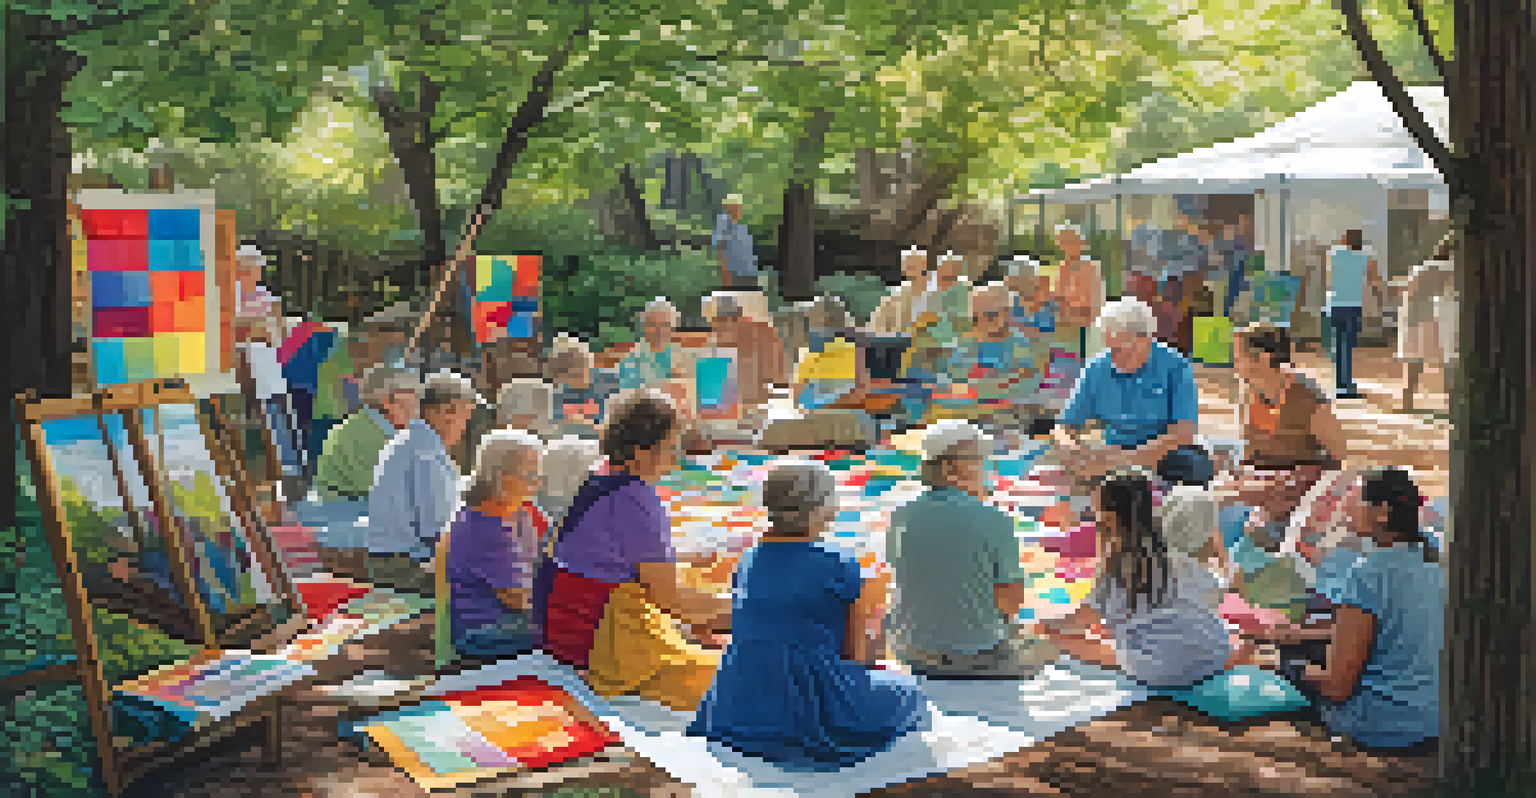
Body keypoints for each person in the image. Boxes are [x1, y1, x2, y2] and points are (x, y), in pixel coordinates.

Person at [688, 461, 927, 770]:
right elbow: (857, 655)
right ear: (824, 509)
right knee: (907, 693)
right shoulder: (839, 562)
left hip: (737, 699)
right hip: (812, 699)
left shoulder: (747, 560)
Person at [538, 389, 730, 710]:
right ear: (641, 452)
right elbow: (671, 601)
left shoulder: (601, 475)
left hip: (563, 629)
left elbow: (615, 556)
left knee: (700, 574)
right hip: (595, 643)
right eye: (671, 447)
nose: (677, 458)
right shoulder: (636, 499)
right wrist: (748, 609)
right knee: (735, 683)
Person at [1247, 468, 1441, 749]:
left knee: (1292, 658)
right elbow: (1383, 629)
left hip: (1381, 722)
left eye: (1355, 499)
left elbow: (1336, 687)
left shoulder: (1369, 573)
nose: (1344, 506)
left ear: (1382, 512)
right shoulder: (1434, 564)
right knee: (1304, 644)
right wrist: (1303, 634)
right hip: (1433, 721)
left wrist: (1290, 668)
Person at [887, 420, 1058, 679]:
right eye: (981, 460)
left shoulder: (900, 515)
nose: (988, 467)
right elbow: (1011, 603)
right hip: (975, 658)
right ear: (952, 467)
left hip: (909, 651)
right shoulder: (994, 519)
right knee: (1054, 643)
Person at [1041, 471, 1231, 688]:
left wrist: (1046, 627)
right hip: (1214, 655)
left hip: (1163, 669)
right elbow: (1206, 599)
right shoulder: (1178, 557)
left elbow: (1078, 622)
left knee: (1065, 642)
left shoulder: (1118, 566)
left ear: (1110, 521)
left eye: (1096, 518)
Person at [1052, 299, 1213, 488]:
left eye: (1120, 350)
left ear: (1145, 341)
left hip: (1162, 456)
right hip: (1113, 453)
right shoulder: (1097, 368)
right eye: (1109, 349)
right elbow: (1064, 427)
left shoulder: (1176, 366)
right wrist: (1074, 453)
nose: (1113, 358)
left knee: (1196, 467)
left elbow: (1183, 434)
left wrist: (1124, 461)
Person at [1215, 324, 1350, 542]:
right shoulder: (1249, 391)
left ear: (1263, 358)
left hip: (1300, 481)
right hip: (1265, 476)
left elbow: (1338, 456)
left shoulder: (1306, 395)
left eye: (1239, 356)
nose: (1234, 364)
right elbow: (1251, 449)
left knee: (1224, 500)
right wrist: (1239, 474)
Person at [367, 371, 483, 595]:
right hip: (407, 567)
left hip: (395, 561)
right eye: (466, 416)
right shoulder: (425, 452)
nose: (464, 427)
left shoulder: (412, 441)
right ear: (449, 412)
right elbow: (439, 528)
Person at [445, 430, 549, 659]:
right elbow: (517, 599)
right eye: (530, 475)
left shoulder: (513, 511)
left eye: (540, 474)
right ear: (502, 476)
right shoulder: (487, 525)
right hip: (484, 630)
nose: (538, 482)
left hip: (503, 619)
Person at [311, 367, 420, 577]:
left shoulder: (371, 428)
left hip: (356, 526)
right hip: (351, 534)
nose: (418, 403)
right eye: (413, 393)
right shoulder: (371, 436)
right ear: (389, 401)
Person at [943, 283, 1048, 432]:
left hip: (1010, 424)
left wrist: (979, 387)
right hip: (967, 420)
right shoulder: (965, 345)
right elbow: (952, 384)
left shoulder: (1022, 346)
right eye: (976, 317)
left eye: (990, 315)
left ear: (1006, 313)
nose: (983, 321)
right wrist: (1001, 382)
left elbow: (1025, 389)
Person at [1395, 234, 1455, 412]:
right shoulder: (1454, 270)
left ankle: (1407, 401)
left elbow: (1409, 293)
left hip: (1415, 315)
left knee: (1414, 361)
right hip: (1440, 317)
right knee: (1450, 360)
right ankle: (1453, 403)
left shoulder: (1421, 268)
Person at [1325, 230, 1384, 400]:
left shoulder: (1333, 255)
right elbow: (1375, 282)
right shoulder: (1365, 258)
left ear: (1344, 240)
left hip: (1335, 305)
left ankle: (1339, 385)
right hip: (1353, 305)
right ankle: (1347, 385)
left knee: (1338, 346)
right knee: (1348, 346)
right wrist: (1380, 301)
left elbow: (1329, 279)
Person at [708, 294, 786, 412]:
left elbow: (778, 383)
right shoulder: (718, 349)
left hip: (764, 406)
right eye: (717, 324)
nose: (717, 329)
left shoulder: (763, 336)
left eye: (723, 322)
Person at [1054, 224, 1106, 361]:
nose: (1066, 246)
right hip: (1067, 326)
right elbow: (1058, 299)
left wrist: (1077, 316)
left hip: (1086, 326)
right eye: (1063, 242)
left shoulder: (1091, 267)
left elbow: (1096, 304)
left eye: (1070, 241)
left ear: (1080, 242)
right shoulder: (1062, 268)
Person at [547, 335, 617, 433]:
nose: (579, 378)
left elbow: (620, 413)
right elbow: (556, 426)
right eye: (572, 375)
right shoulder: (558, 394)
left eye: (582, 369)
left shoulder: (608, 380)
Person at [617, 298, 682, 392]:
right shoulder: (632, 359)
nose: (659, 330)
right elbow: (629, 392)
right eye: (653, 325)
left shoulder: (680, 356)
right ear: (644, 326)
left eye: (665, 325)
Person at [868, 247, 931, 336]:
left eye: (914, 265)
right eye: (908, 265)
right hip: (901, 335)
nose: (911, 269)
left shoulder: (932, 287)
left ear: (923, 265)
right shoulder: (899, 292)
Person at [712, 194, 759, 290]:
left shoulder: (742, 227)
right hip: (735, 276)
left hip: (749, 274)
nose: (740, 210)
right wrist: (726, 275)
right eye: (737, 207)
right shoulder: (724, 223)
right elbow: (720, 248)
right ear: (729, 208)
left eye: (740, 207)